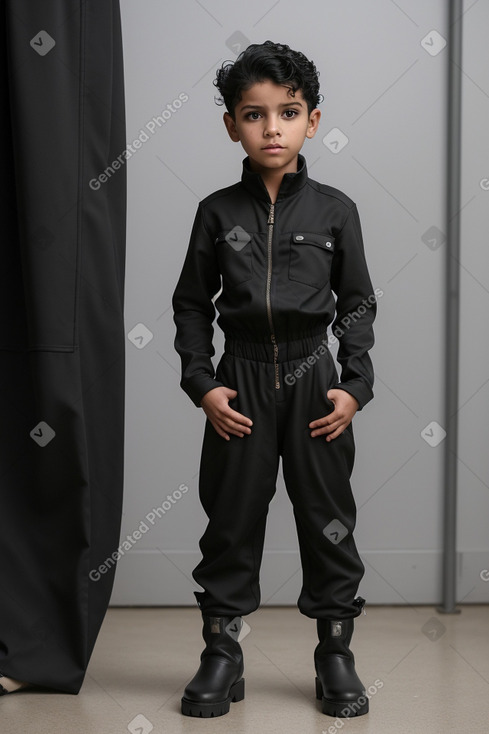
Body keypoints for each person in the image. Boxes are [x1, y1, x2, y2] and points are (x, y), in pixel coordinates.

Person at [172, 40, 377, 719]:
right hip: (242, 380)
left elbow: (356, 303)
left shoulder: (335, 210)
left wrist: (353, 383)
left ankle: (335, 653)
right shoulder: (216, 212)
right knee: (231, 520)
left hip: (313, 379)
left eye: (286, 113)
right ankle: (222, 654)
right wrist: (202, 383)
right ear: (231, 124)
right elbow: (191, 305)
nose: (271, 128)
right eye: (253, 115)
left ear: (310, 121)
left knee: (327, 521)